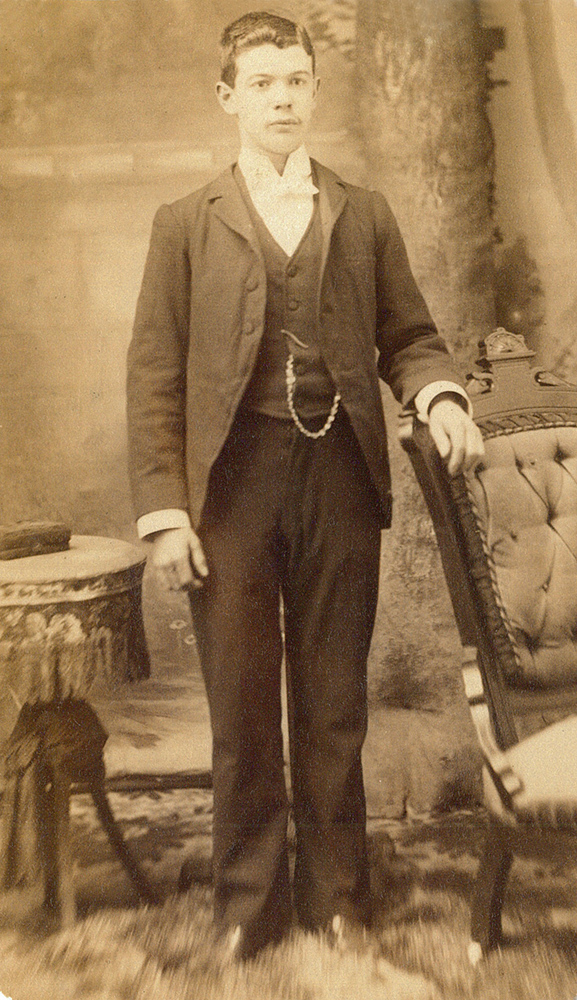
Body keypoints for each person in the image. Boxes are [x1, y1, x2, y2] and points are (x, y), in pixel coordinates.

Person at [126, 10, 484, 960]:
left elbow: (408, 335)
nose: (282, 98)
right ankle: (249, 906)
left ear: (313, 89)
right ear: (228, 98)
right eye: (263, 84)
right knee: (243, 708)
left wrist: (439, 396)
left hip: (338, 480)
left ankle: (337, 897)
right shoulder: (184, 224)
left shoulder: (361, 212)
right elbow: (154, 375)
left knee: (331, 703)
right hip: (230, 492)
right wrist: (166, 515)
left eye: (296, 80)